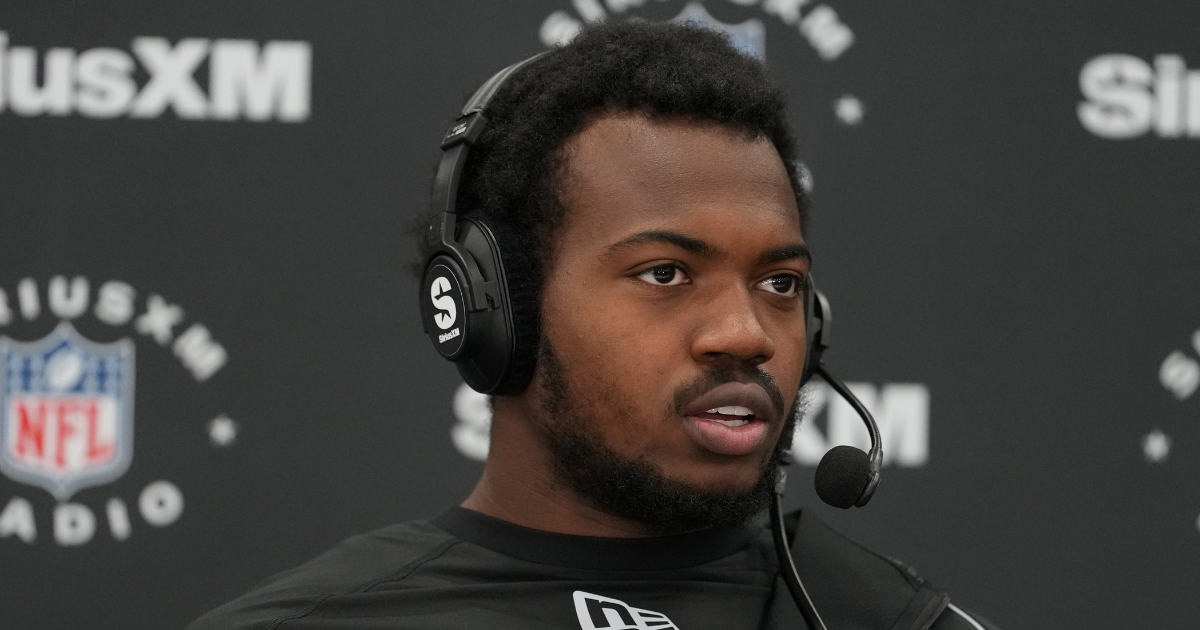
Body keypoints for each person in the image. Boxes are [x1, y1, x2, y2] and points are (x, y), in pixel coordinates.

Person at [189, 20, 999, 630]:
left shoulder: (891, 618)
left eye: (779, 283)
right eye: (665, 273)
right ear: (494, 307)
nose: (746, 333)